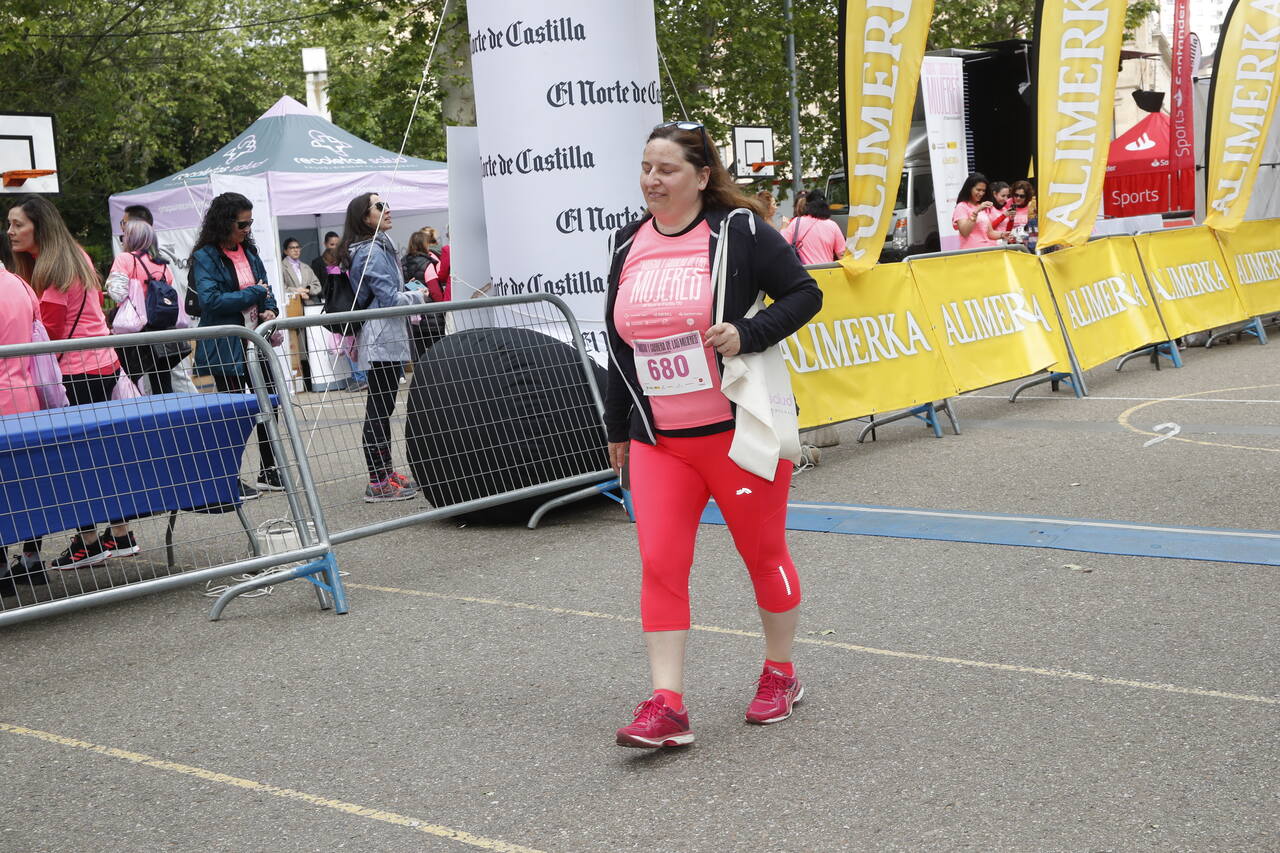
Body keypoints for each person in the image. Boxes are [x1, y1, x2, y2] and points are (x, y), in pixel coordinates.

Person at [605, 121, 822, 748]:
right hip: (659, 440)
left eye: (666, 169)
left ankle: (781, 672)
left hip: (736, 432)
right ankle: (666, 704)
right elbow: (621, 342)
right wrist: (619, 424)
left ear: (702, 177)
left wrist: (747, 333)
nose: (652, 180)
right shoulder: (626, 244)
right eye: (646, 167)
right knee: (660, 565)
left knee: (763, 557)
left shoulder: (739, 230)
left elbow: (805, 296)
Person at [7, 195, 138, 571]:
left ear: (40, 227)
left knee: (74, 461)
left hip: (77, 374)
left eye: (18, 224)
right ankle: (121, 531)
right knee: (99, 454)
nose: (11, 231)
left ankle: (89, 541)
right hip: (105, 367)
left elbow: (48, 332)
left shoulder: (53, 270)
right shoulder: (75, 255)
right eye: (10, 224)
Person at [189, 191, 281, 497]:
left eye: (250, 222)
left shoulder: (249, 252)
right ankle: (230, 478)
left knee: (269, 405)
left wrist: (270, 308)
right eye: (242, 223)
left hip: (257, 340)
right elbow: (210, 301)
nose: (247, 229)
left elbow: (266, 289)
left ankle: (270, 470)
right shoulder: (205, 256)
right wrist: (255, 294)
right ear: (225, 222)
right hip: (228, 344)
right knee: (233, 414)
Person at [339, 192, 427, 502]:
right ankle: (378, 480)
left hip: (387, 337)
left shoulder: (377, 248)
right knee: (379, 409)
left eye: (387, 203)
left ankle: (385, 473)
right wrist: (418, 295)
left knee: (383, 407)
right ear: (365, 217)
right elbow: (389, 299)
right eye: (379, 206)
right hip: (381, 339)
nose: (387, 209)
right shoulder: (371, 251)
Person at [0, 265, 48, 597]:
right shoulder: (21, 284)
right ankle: (32, 559)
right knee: (30, 486)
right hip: (26, 395)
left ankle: (1, 567)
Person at [106, 219, 186, 396]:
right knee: (163, 382)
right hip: (161, 330)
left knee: (133, 382)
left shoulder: (125, 259)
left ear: (131, 238)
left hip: (134, 331)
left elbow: (117, 294)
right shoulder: (162, 264)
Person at [314, 230, 366, 391]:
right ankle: (361, 376)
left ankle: (360, 377)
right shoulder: (344, 269)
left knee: (349, 343)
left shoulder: (335, 271)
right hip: (349, 308)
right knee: (353, 343)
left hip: (341, 309)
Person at [401, 226, 446, 359]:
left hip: (412, 319)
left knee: (419, 358)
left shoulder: (402, 264)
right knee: (438, 356)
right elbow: (436, 293)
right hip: (431, 318)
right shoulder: (427, 264)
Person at [778, 189, 848, 265]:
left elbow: (782, 245)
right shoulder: (833, 225)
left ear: (807, 205)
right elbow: (842, 254)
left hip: (804, 273)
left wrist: (784, 226)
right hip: (827, 272)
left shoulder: (796, 222)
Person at [951, 173, 1007, 249]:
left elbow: (990, 233)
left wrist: (1003, 235)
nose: (981, 193)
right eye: (978, 190)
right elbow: (964, 232)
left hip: (988, 250)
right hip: (972, 253)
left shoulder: (982, 206)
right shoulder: (962, 206)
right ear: (969, 188)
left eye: (983, 190)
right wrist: (976, 211)